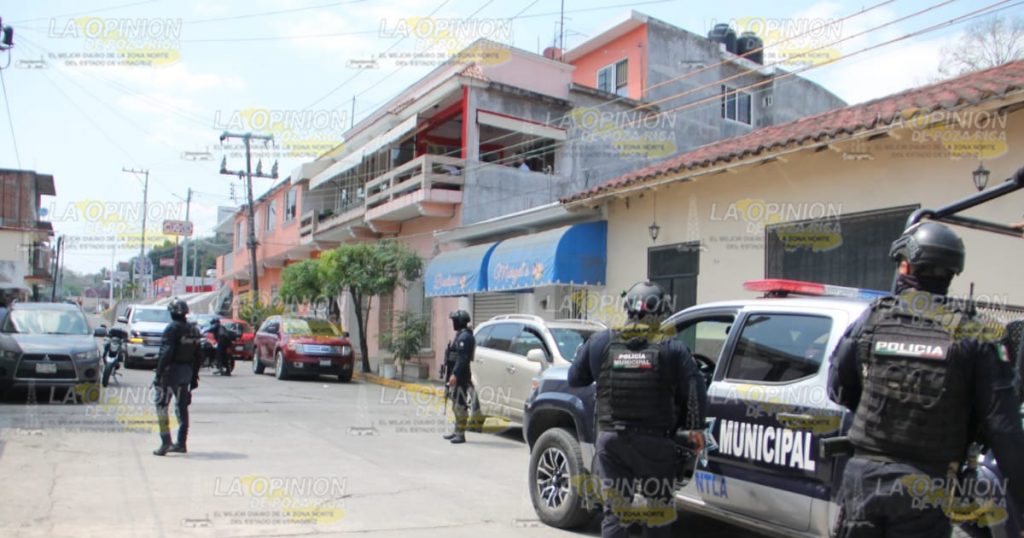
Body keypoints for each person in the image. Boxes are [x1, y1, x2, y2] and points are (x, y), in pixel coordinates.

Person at [828, 221, 1024, 537]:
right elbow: (1005, 429)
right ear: (951, 273)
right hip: (926, 488)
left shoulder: (874, 317)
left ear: (906, 264)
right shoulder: (975, 332)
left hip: (864, 481)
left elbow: (839, 389)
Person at [568, 281, 707, 538]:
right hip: (655, 443)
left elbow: (575, 379)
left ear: (628, 308)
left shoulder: (600, 341)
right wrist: (695, 429)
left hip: (611, 441)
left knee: (616, 512)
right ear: (661, 311)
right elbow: (695, 391)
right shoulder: (672, 348)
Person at [153, 298, 202, 456]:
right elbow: (198, 356)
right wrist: (194, 377)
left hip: (171, 372)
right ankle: (181, 442)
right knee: (181, 407)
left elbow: (166, 352)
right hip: (186, 372)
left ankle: (166, 442)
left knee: (161, 405)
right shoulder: (194, 330)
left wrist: (159, 373)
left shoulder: (172, 328)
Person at [443, 310, 475, 444]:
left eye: (455, 320)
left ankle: (460, 434)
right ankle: (457, 431)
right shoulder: (461, 335)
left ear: (460, 321)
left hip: (461, 375)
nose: (453, 323)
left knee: (460, 405)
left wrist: (455, 373)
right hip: (457, 374)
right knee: (455, 404)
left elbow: (463, 358)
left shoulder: (465, 337)